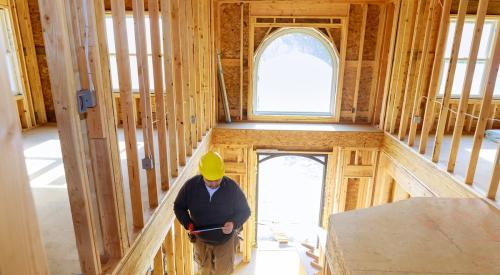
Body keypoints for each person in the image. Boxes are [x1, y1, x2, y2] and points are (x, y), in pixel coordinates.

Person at [174, 151, 251, 275]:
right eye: (210, 180)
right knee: (205, 271)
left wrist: (233, 223)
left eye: (217, 179)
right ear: (202, 174)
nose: (214, 183)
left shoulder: (232, 188)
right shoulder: (191, 187)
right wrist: (188, 224)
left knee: (224, 272)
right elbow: (178, 207)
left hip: (225, 241)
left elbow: (245, 211)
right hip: (201, 241)